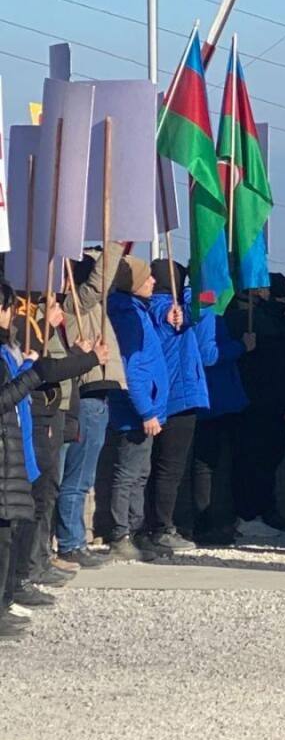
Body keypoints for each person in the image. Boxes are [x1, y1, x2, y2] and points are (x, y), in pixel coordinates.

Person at [8, 294, 105, 605]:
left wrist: (78, 354)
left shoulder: (39, 322)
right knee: (34, 499)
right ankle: (24, 573)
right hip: (36, 418)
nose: (57, 303)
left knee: (46, 493)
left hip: (52, 415)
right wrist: (87, 358)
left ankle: (35, 562)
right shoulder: (28, 323)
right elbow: (44, 368)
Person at [57, 243, 127, 569]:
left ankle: (73, 541)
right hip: (86, 398)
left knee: (81, 478)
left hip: (96, 398)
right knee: (77, 478)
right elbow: (98, 284)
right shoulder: (75, 304)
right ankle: (71, 543)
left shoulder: (90, 308)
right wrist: (114, 245)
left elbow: (102, 285)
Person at [229, 274, 285, 536]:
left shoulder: (258, 316)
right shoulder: (257, 319)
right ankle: (253, 513)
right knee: (258, 461)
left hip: (262, 401)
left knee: (265, 460)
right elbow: (279, 362)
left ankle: (262, 511)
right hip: (263, 402)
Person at [105, 257, 170, 562]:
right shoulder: (128, 315)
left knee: (140, 473)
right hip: (136, 411)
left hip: (146, 407)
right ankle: (121, 534)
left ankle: (135, 529)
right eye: (147, 278)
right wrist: (146, 411)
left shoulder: (138, 310)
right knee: (129, 473)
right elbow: (133, 369)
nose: (153, 282)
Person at [141, 261, 208, 553]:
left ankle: (151, 525)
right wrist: (201, 276)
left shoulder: (145, 308)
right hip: (179, 396)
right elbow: (205, 303)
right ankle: (162, 528)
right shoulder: (170, 309)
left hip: (157, 396)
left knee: (155, 467)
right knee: (171, 468)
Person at [0, 282, 46, 639]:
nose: (11, 316)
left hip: (11, 446)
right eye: (8, 309)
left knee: (7, 533)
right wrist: (31, 373)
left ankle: (4, 601)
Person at [191, 314, 254, 546]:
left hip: (221, 396)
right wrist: (241, 346)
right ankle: (207, 524)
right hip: (215, 397)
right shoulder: (205, 312)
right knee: (207, 463)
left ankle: (217, 520)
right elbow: (208, 355)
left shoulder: (208, 312)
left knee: (215, 462)